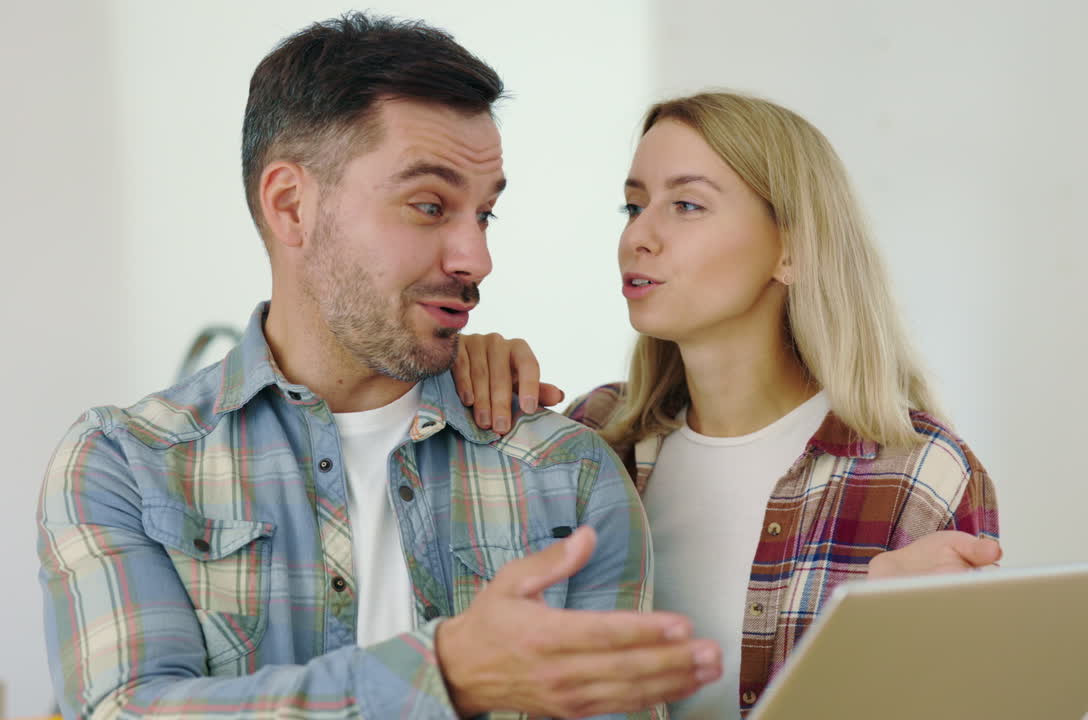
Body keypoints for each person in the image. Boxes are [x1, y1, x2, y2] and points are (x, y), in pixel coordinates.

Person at [36, 14, 722, 720]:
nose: (475, 258)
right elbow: (127, 711)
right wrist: (445, 676)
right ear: (291, 205)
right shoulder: (127, 464)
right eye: (429, 206)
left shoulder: (565, 476)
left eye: (484, 215)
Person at [452, 92, 1001, 718]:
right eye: (633, 206)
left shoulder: (919, 473)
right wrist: (455, 371)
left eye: (686, 205)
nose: (639, 235)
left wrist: (871, 654)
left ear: (791, 250)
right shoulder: (593, 436)